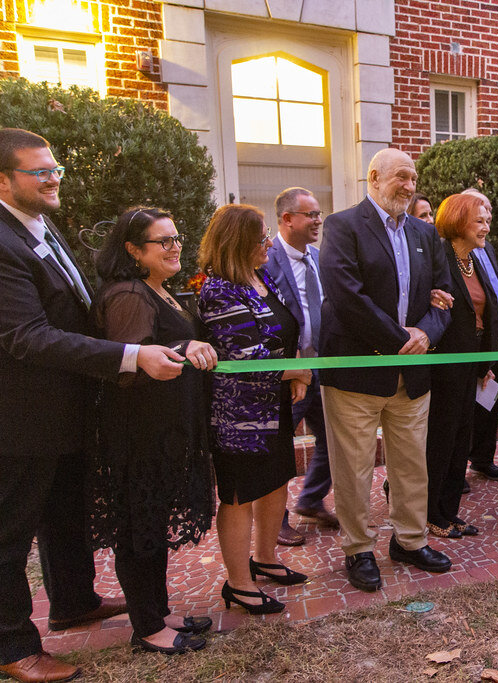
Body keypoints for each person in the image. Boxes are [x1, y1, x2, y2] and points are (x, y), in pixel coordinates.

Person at [0, 128, 185, 683]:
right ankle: (12, 646)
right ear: (4, 180)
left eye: (55, 168)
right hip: (22, 417)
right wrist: (131, 354)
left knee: (64, 514)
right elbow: (27, 336)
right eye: (40, 171)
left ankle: (74, 600)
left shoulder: (36, 225)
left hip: (66, 411)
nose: (54, 177)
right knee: (10, 533)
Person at [319, 148, 453, 592]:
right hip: (357, 376)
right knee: (354, 468)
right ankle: (358, 549)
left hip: (412, 375)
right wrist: (402, 340)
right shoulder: (341, 227)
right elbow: (346, 296)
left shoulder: (424, 233)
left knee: (412, 463)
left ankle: (410, 541)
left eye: (414, 179)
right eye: (401, 178)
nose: (410, 186)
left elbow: (443, 295)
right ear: (374, 177)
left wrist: (427, 336)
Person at [91, 207, 219, 654]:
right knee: (139, 530)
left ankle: (158, 612)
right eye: (162, 241)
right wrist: (183, 346)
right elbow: (132, 365)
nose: (175, 246)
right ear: (132, 249)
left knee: (152, 525)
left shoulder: (158, 290)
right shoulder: (128, 294)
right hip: (138, 436)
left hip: (167, 431)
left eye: (177, 237)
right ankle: (147, 627)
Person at [198, 204, 313, 615]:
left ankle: (265, 558)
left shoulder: (261, 276)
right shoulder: (218, 290)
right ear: (238, 243)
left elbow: (287, 330)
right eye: (261, 238)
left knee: (275, 479)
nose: (268, 244)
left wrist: (297, 374)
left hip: (276, 404)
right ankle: (239, 583)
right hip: (238, 415)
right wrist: (298, 371)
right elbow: (246, 356)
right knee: (239, 495)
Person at [264, 187, 339, 547]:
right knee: (279, 448)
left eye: (319, 214)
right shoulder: (266, 260)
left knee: (333, 439)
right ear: (286, 219)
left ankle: (310, 499)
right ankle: (274, 520)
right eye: (310, 214)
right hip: (287, 374)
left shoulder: (319, 257)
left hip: (321, 368)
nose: (318, 221)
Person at [425, 193, 498, 538]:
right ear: (457, 222)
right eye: (479, 221)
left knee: (460, 441)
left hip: (471, 366)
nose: (486, 227)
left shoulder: (476, 259)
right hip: (443, 368)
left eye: (487, 220)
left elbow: (483, 315)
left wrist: (484, 362)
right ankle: (431, 513)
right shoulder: (439, 257)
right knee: (440, 442)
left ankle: (450, 512)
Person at [461, 188, 498, 484]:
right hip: (474, 344)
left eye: (489, 212)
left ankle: (483, 458)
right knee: (468, 405)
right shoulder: (457, 252)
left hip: (497, 342)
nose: (487, 219)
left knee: (489, 401)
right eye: (481, 213)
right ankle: (460, 461)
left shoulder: (487, 248)